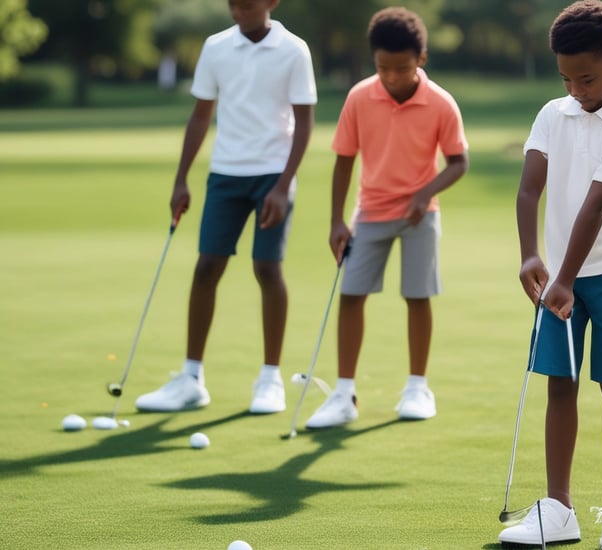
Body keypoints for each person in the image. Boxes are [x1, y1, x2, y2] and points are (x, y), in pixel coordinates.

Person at [498, 1, 602, 548]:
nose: (575, 88)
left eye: (586, 77)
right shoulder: (552, 113)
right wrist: (529, 255)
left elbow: (593, 209)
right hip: (561, 275)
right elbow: (528, 190)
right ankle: (559, 509)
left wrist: (563, 278)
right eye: (566, 77)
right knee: (559, 386)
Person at [134, 0, 317, 414]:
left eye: (246, 4)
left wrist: (283, 185)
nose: (237, 11)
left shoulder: (294, 50)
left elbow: (304, 124)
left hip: (273, 174)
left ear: (270, 2)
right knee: (206, 267)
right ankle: (191, 379)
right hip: (225, 173)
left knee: (267, 268)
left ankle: (270, 380)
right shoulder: (216, 47)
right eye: (232, 3)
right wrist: (181, 178)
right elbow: (201, 116)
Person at [303, 7, 469, 429]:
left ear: (421, 60)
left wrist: (424, 194)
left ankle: (417, 386)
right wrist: (337, 221)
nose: (391, 77)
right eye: (382, 68)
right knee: (351, 295)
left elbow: (457, 162)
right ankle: (343, 394)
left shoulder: (441, 103)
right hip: (370, 213)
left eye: (402, 68)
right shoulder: (360, 96)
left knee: (417, 297)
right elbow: (343, 160)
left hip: (420, 216)